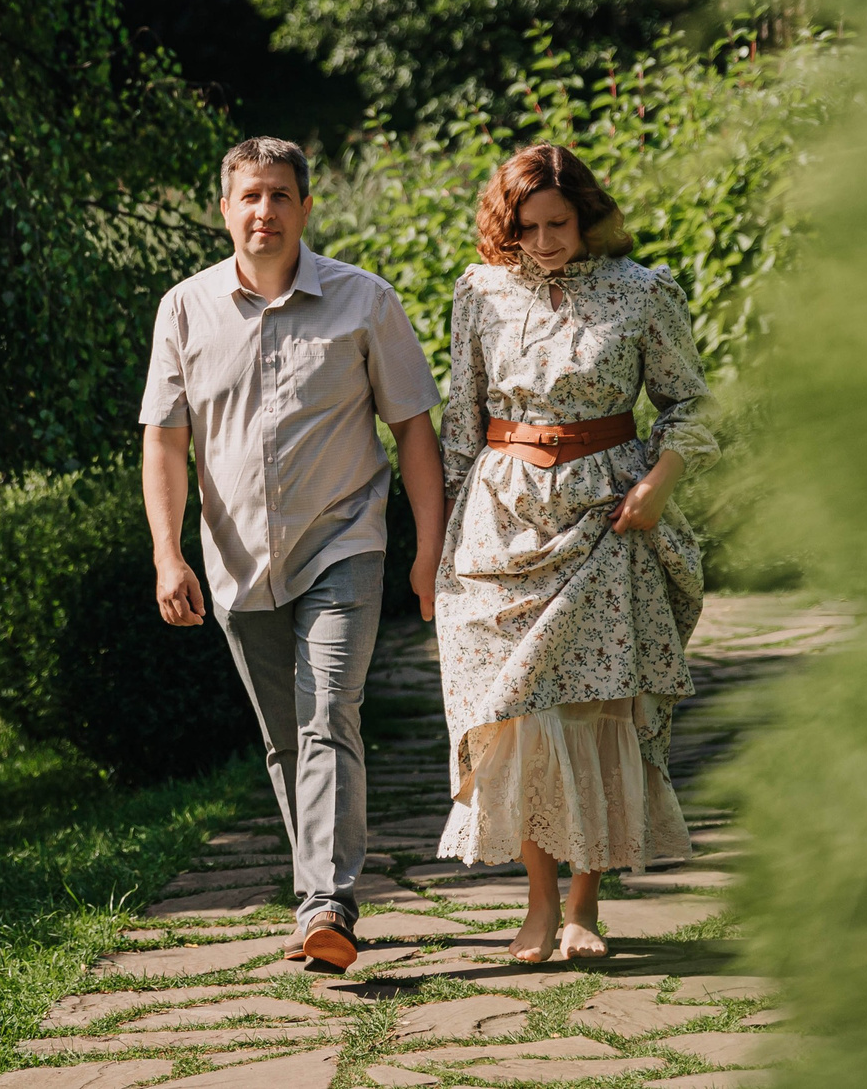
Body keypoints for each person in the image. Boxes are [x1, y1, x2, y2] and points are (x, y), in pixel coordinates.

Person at [139, 136, 447, 975]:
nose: (264, 211)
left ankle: (328, 903)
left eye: (281, 195)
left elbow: (415, 428)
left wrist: (427, 549)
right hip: (238, 562)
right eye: (250, 196)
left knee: (327, 716)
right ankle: (321, 891)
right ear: (225, 208)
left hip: (344, 542)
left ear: (306, 208)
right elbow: (165, 442)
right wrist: (169, 554)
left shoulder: (364, 302)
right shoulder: (185, 309)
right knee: (285, 738)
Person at [434, 143, 717, 964]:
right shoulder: (479, 292)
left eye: (560, 223)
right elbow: (460, 421)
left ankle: (584, 907)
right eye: (528, 227)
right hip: (500, 520)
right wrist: (436, 543)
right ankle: (535, 903)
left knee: (595, 708)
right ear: (508, 226)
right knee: (518, 716)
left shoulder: (643, 289)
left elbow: (691, 401)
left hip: (606, 517)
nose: (546, 241)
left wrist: (661, 480)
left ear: (587, 218)